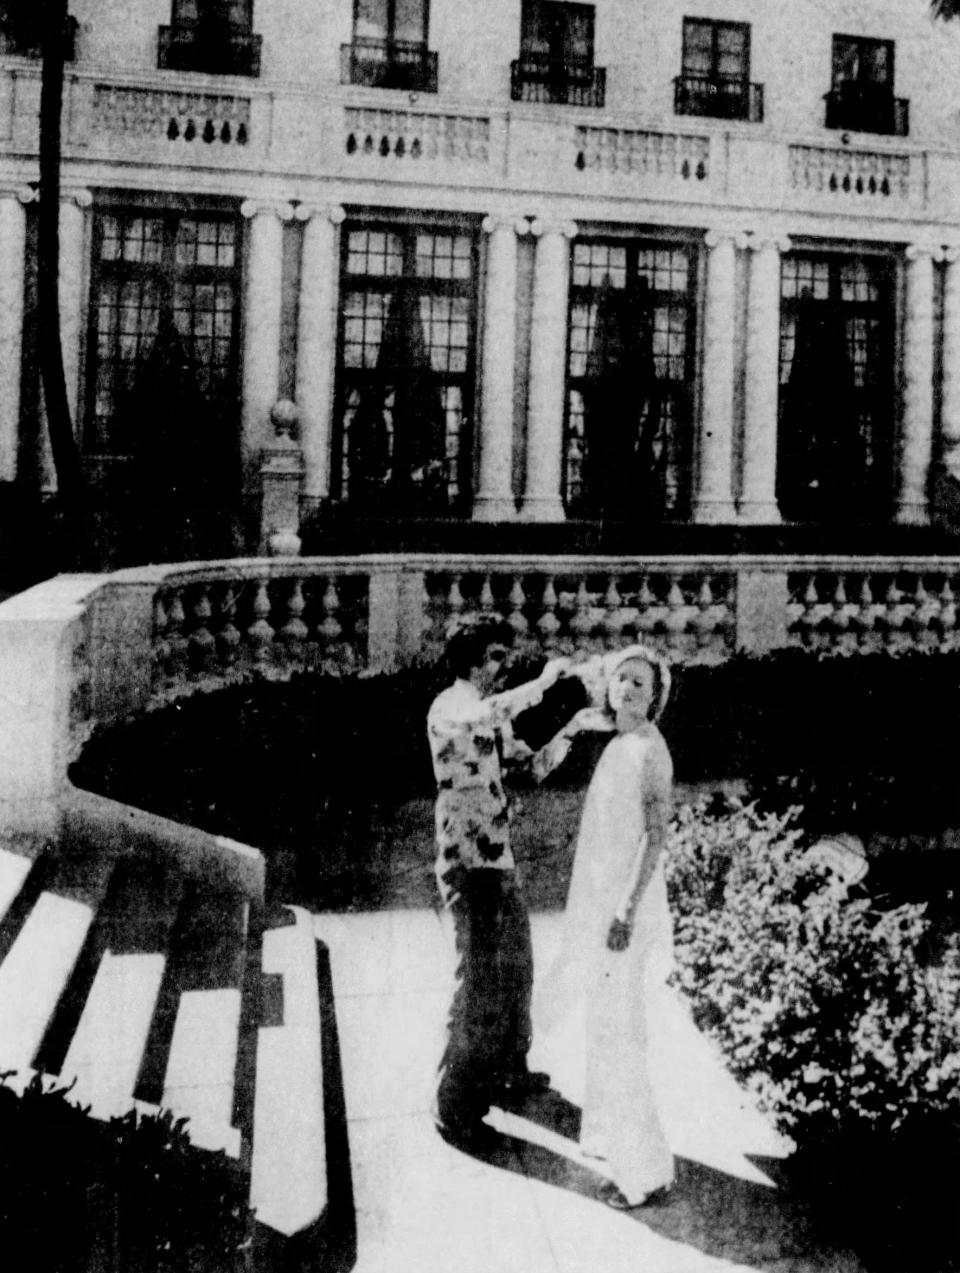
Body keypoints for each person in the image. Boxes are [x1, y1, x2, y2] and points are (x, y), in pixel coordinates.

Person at [427, 616, 600, 1151]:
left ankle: (507, 1071)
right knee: (478, 981)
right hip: (467, 863)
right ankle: (452, 1104)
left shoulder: (484, 715)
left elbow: (531, 766)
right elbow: (492, 711)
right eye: (496, 657)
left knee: (517, 969)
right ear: (471, 659)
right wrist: (544, 684)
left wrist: (571, 727)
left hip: (497, 861)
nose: (503, 668)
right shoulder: (452, 706)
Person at [536, 644, 675, 1209]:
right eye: (622, 681)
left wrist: (625, 909)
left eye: (640, 685)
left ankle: (645, 1172)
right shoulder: (619, 742)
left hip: (624, 912)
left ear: (656, 696)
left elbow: (655, 837)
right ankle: (607, 1138)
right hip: (599, 908)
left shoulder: (649, 751)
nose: (628, 691)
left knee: (620, 1032)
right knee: (602, 1021)